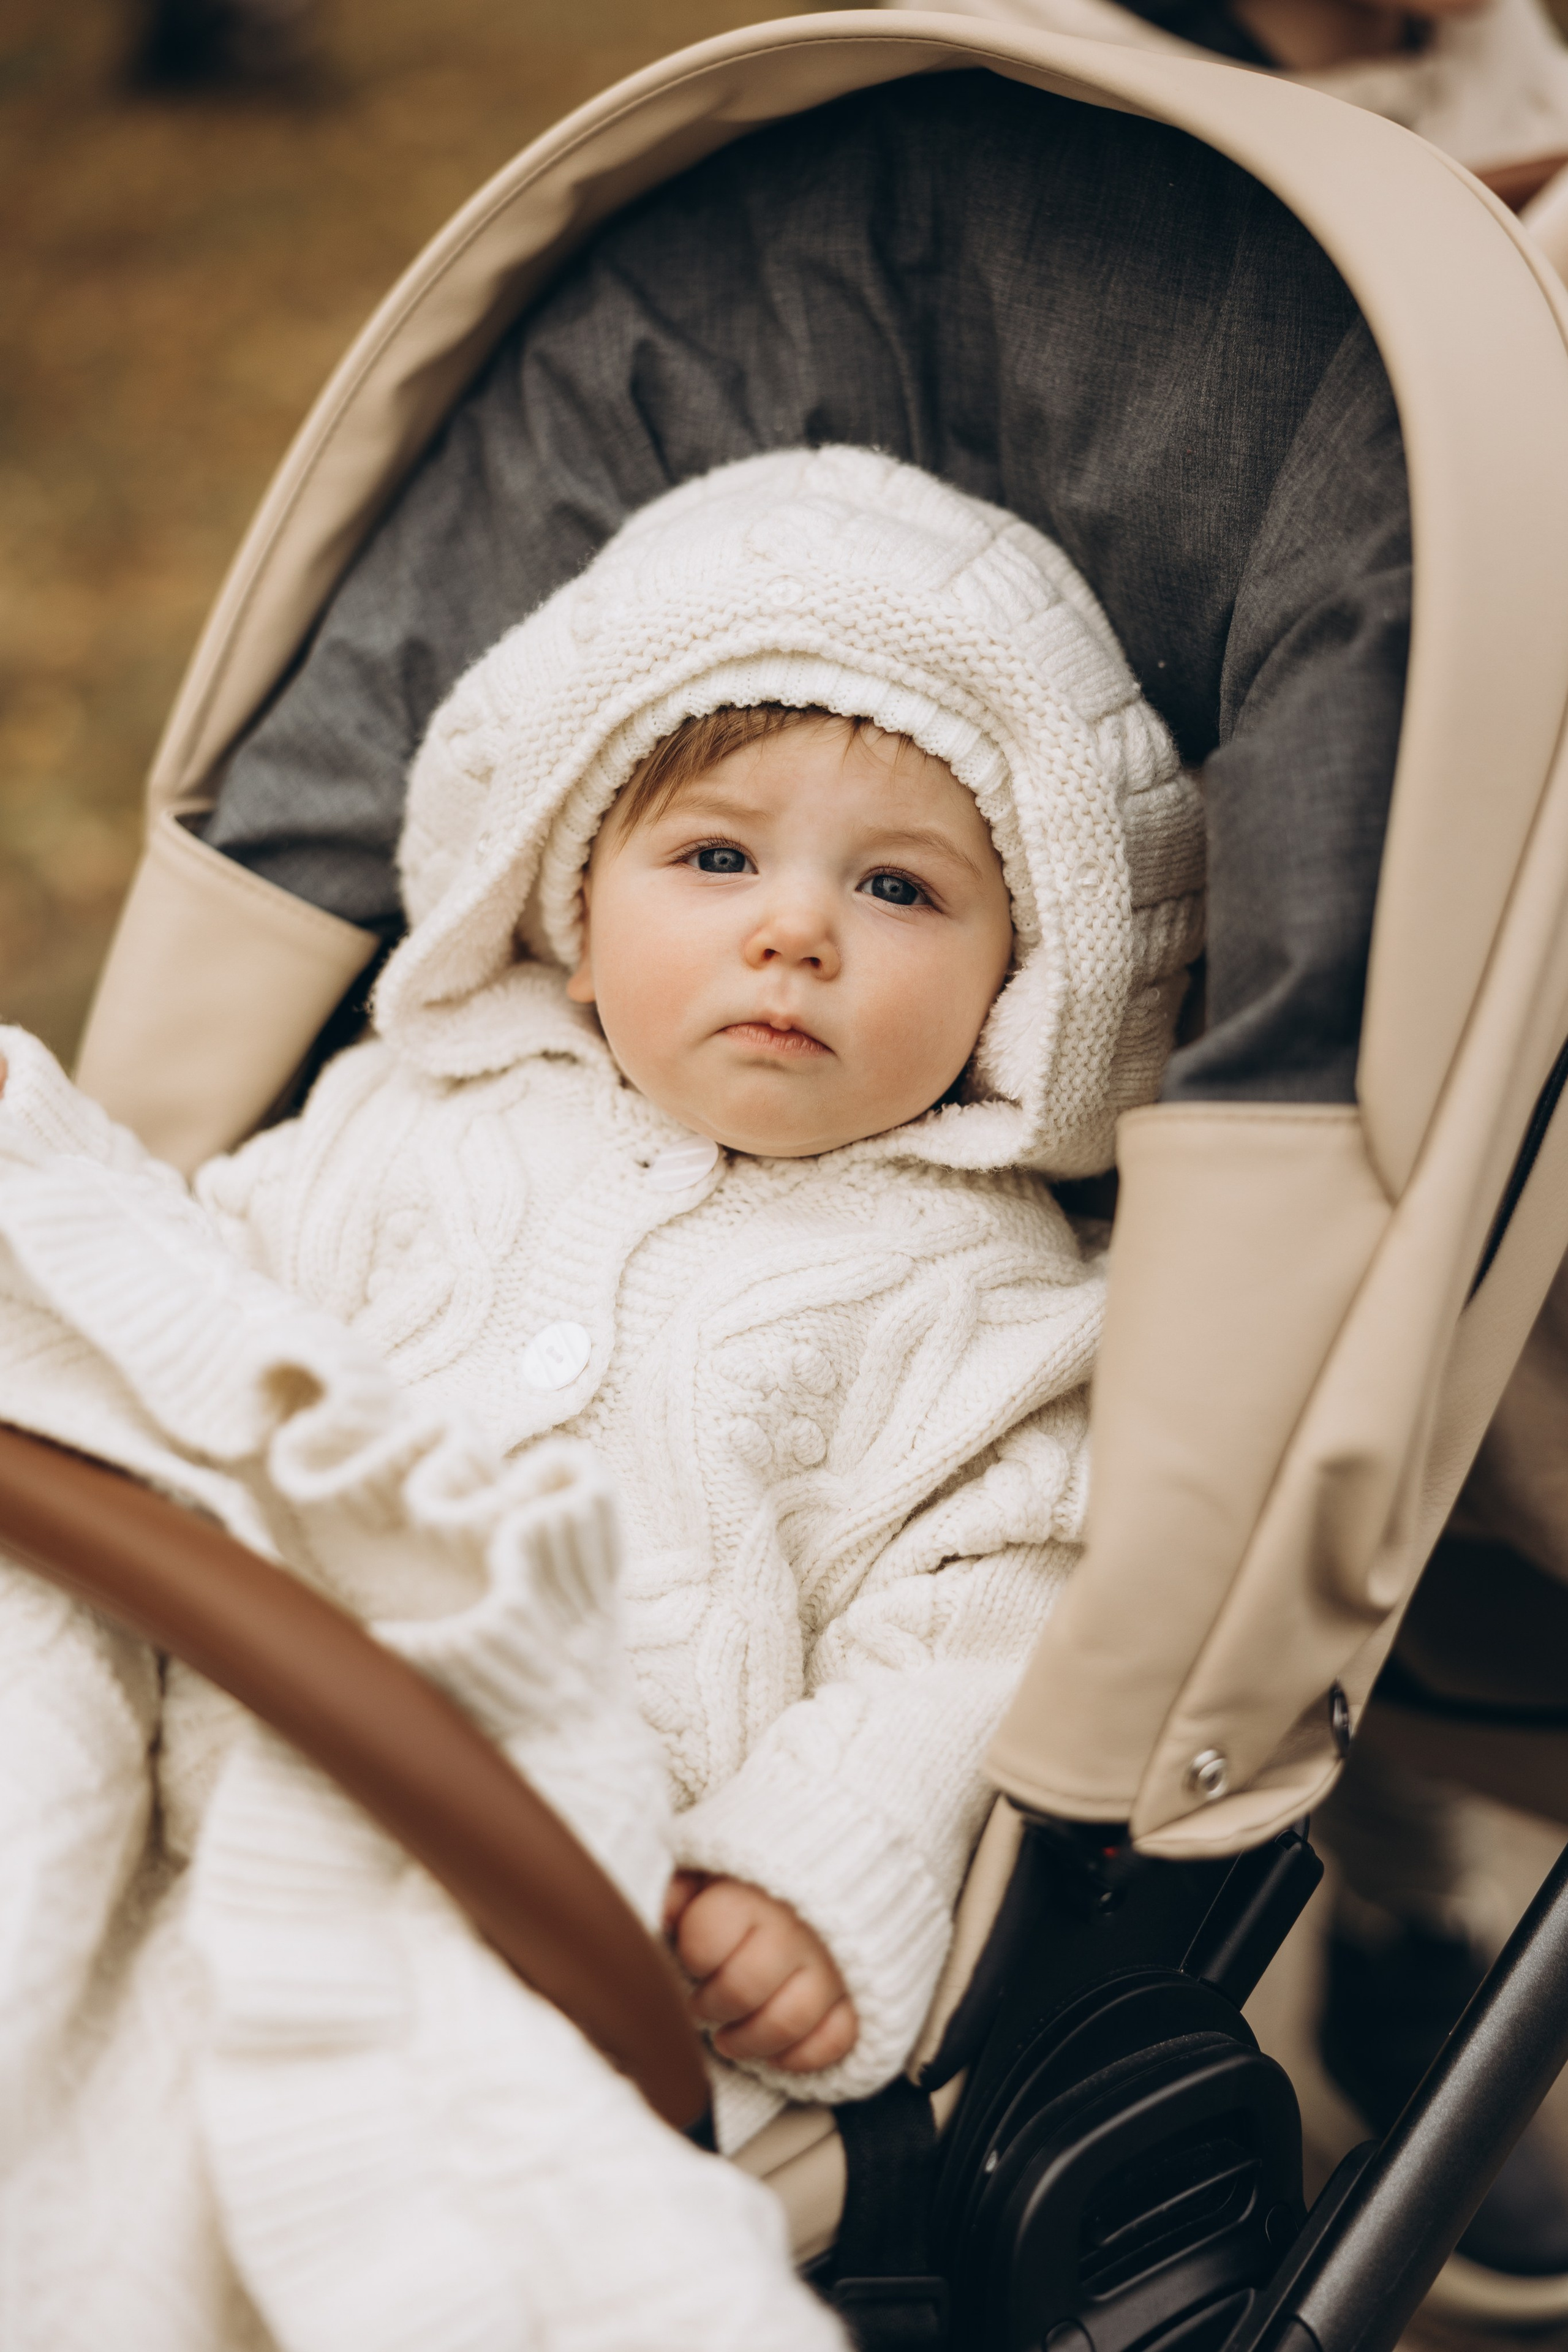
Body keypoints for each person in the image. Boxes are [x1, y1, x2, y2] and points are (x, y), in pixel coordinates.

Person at [0, 444, 1204, 2348]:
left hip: (544, 1883)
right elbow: (171, 1321)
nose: (793, 932)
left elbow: (984, 1630)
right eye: (716, 858)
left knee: (347, 2192)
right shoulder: (411, 1116)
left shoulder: (989, 1306)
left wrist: (819, 1873)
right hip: (172, 1680)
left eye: (899, 888)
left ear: (1024, 979)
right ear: (571, 892)